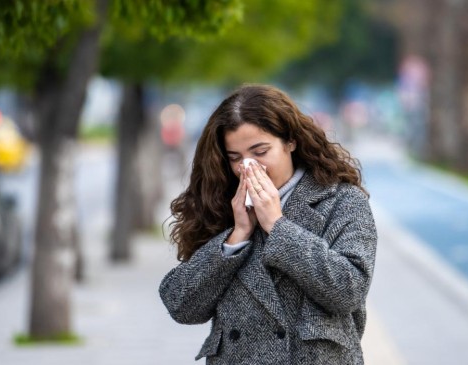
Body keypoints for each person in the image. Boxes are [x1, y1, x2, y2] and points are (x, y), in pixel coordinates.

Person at [159, 84, 377, 364]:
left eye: (260, 151)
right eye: (235, 158)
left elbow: (349, 290)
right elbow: (181, 306)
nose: (248, 168)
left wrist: (278, 225)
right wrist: (236, 237)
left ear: (290, 141)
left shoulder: (342, 200)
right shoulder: (221, 204)